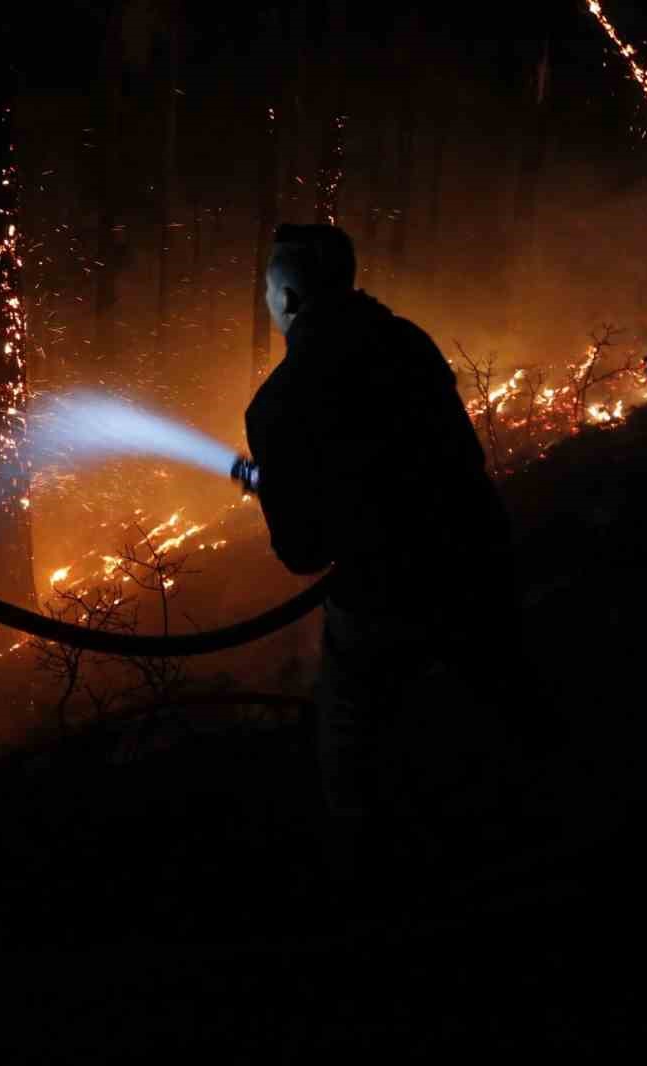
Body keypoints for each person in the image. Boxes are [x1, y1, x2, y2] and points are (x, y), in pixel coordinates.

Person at [244, 224, 551, 884]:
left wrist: (284, 489)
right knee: (513, 709)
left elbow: (304, 553)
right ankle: (552, 840)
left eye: (269, 291)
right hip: (478, 559)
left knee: (352, 751)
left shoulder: (278, 404)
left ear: (291, 297)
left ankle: (372, 893)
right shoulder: (409, 344)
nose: (267, 303)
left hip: (385, 597)